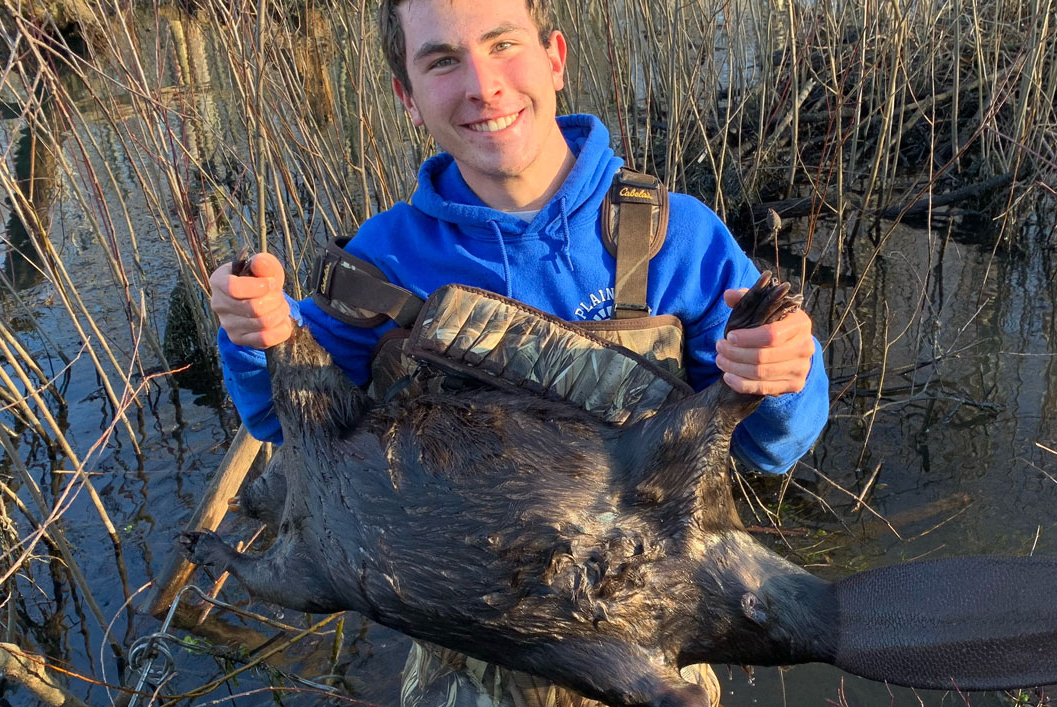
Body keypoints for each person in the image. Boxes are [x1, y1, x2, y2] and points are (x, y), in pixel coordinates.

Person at [207, 0, 829, 705]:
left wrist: (781, 372)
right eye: (442, 60)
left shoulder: (672, 235)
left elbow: (778, 449)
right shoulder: (380, 261)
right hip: (460, 662)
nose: (483, 84)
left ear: (555, 58)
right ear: (407, 98)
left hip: (654, 659)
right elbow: (287, 430)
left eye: (503, 44)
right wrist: (260, 335)